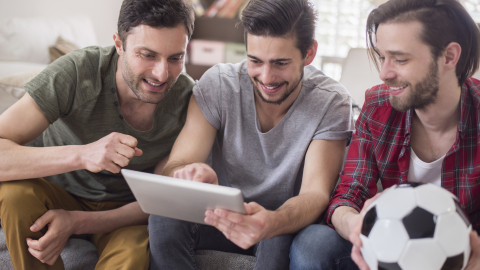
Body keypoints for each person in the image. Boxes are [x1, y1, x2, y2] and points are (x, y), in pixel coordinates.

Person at [147, 0, 354, 269]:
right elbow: (176, 164)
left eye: (280, 63)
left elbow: (315, 194)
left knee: (276, 237)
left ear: (309, 53)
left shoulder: (332, 102)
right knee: (162, 219)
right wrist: (190, 173)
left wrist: (272, 222)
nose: (266, 77)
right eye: (255, 60)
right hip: (220, 217)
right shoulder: (219, 84)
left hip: (281, 221)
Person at [0, 0, 195, 269]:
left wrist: (77, 221)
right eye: (147, 55)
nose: (162, 74)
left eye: (175, 58)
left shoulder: (188, 100)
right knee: (14, 195)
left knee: (131, 256)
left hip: (122, 213)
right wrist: (81, 154)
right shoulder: (78, 72)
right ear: (118, 44)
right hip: (56, 193)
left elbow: (161, 200)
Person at [289, 0, 480, 269]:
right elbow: (347, 196)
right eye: (382, 57)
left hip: (465, 256)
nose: (384, 73)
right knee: (313, 244)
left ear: (449, 57)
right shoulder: (379, 105)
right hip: (388, 246)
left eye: (400, 59)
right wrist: (354, 224)